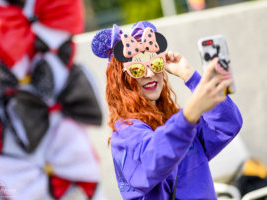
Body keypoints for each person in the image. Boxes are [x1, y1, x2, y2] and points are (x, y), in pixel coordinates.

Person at [91, 21, 242, 199]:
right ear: (122, 81)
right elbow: (155, 159)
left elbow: (228, 124)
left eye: (155, 65)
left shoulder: (179, 122)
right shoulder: (125, 135)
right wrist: (189, 115)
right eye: (137, 69)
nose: (149, 74)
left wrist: (189, 76)